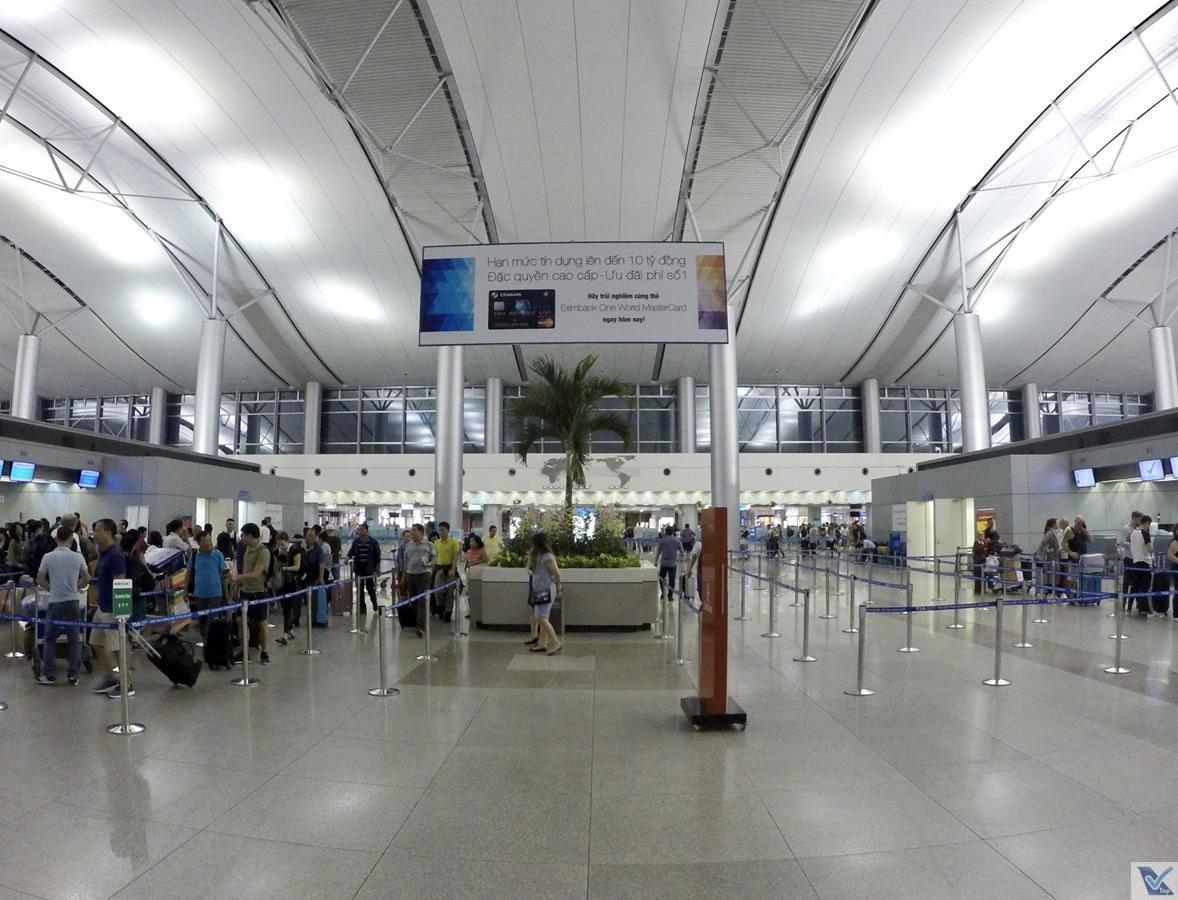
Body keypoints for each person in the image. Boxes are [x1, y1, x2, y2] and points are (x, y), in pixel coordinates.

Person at [35, 525, 90, 685]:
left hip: (55, 602)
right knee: (74, 639)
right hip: (73, 601)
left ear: (56, 539)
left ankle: (50, 674)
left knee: (50, 639)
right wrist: (78, 586)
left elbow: (40, 579)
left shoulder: (48, 557)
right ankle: (73, 675)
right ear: (71, 539)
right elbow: (87, 577)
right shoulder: (78, 557)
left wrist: (50, 587)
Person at [91, 519, 130, 698]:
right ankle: (109, 677)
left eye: (97, 531)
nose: (94, 534)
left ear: (107, 532)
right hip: (102, 607)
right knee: (96, 642)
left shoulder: (115, 555)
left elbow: (120, 582)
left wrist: (120, 612)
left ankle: (126, 684)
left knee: (117, 647)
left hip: (112, 609)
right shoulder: (103, 553)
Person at [230, 523, 270, 665]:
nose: (242, 538)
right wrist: (238, 585)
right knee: (241, 622)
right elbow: (246, 570)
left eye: (243, 535)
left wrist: (237, 578)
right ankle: (244, 651)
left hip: (259, 593)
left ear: (250, 535)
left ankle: (264, 652)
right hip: (245, 592)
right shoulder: (247, 549)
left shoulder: (263, 551)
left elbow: (257, 573)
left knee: (261, 624)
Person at [525, 533, 562, 655]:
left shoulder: (547, 557)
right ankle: (542, 643)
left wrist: (558, 586)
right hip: (539, 590)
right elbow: (531, 570)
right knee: (542, 616)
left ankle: (555, 642)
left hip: (546, 589)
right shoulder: (538, 556)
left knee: (541, 617)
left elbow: (556, 573)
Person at [188, 531, 227, 642]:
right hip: (200, 594)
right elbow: (188, 573)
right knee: (202, 620)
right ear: (199, 543)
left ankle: (211, 642)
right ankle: (205, 641)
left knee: (213, 620)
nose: (209, 543)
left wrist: (226, 593)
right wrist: (185, 590)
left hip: (216, 593)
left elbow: (223, 575)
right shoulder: (194, 556)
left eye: (210, 540)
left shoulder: (218, 555)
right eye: (205, 541)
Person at [403, 524, 435, 637]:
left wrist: (429, 564)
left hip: (424, 575)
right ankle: (418, 620)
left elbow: (434, 558)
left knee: (422, 600)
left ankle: (420, 626)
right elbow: (406, 561)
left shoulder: (429, 544)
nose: (412, 532)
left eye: (414, 530)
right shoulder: (408, 546)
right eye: (412, 530)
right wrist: (404, 577)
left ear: (421, 532)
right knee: (413, 601)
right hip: (411, 575)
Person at [346, 523, 381, 616]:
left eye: (361, 529)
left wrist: (377, 568)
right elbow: (351, 551)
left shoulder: (373, 542)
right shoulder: (356, 542)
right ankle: (362, 608)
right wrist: (347, 557)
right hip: (359, 568)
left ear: (366, 531)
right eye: (359, 529)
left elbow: (377, 555)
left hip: (369, 568)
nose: (359, 531)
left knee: (370, 587)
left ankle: (374, 603)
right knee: (359, 589)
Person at [275, 531, 302, 644]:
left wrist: (284, 568)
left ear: (287, 541)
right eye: (278, 544)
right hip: (281, 583)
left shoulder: (295, 550)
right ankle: (290, 632)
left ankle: (285, 634)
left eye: (282, 544)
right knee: (285, 608)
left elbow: (297, 567)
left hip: (292, 582)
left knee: (289, 608)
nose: (280, 546)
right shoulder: (276, 552)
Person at [432, 521, 461, 622]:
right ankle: (440, 608)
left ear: (448, 530)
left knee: (449, 592)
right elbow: (436, 556)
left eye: (443, 530)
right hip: (439, 568)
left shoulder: (454, 542)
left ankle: (448, 612)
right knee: (437, 591)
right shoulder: (436, 543)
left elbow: (455, 557)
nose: (441, 532)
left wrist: (453, 569)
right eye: (439, 530)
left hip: (449, 568)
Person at [1128, 514, 1154, 617]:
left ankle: (1129, 608)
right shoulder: (1145, 533)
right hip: (1145, 563)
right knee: (1144, 587)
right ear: (1147, 523)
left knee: (1134, 586)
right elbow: (1150, 548)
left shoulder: (1133, 533)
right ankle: (1144, 608)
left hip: (1135, 562)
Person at [1034, 519, 1061, 599]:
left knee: (1052, 574)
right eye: (1056, 523)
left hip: (1054, 557)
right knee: (1051, 574)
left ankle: (1051, 591)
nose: (1057, 524)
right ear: (1053, 524)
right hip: (1051, 558)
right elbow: (1043, 542)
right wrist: (1047, 549)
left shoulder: (1053, 532)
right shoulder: (1050, 533)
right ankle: (1049, 591)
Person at [654, 525, 680, 601]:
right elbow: (682, 551)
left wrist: (655, 561)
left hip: (664, 563)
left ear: (665, 532)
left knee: (661, 578)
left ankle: (663, 593)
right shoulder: (677, 541)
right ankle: (670, 596)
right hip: (673, 564)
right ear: (673, 532)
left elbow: (658, 552)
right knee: (672, 580)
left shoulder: (662, 541)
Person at [679, 531, 702, 605]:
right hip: (710, 569)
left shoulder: (698, 544)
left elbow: (693, 557)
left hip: (702, 569)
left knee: (700, 585)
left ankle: (703, 600)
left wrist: (689, 570)